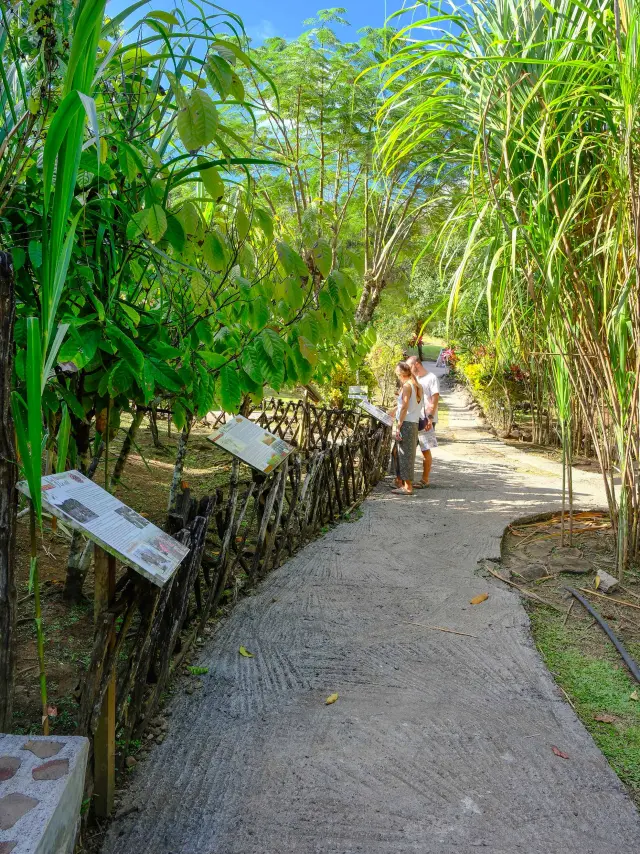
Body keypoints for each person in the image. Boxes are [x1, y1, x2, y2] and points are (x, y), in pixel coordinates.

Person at [387, 361, 423, 495]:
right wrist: (394, 410)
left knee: (405, 454)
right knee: (401, 453)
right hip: (412, 422)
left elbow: (405, 406)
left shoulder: (408, 386)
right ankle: (401, 481)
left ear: (401, 373)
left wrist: (399, 424)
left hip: (407, 423)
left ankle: (408, 487)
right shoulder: (416, 386)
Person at [407, 355, 440, 488]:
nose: (408, 369)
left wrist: (430, 418)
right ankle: (404, 479)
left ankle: (425, 479)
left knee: (425, 449)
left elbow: (434, 399)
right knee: (409, 448)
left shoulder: (431, 378)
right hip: (414, 418)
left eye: (409, 366)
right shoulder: (414, 379)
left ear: (417, 364)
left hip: (426, 419)